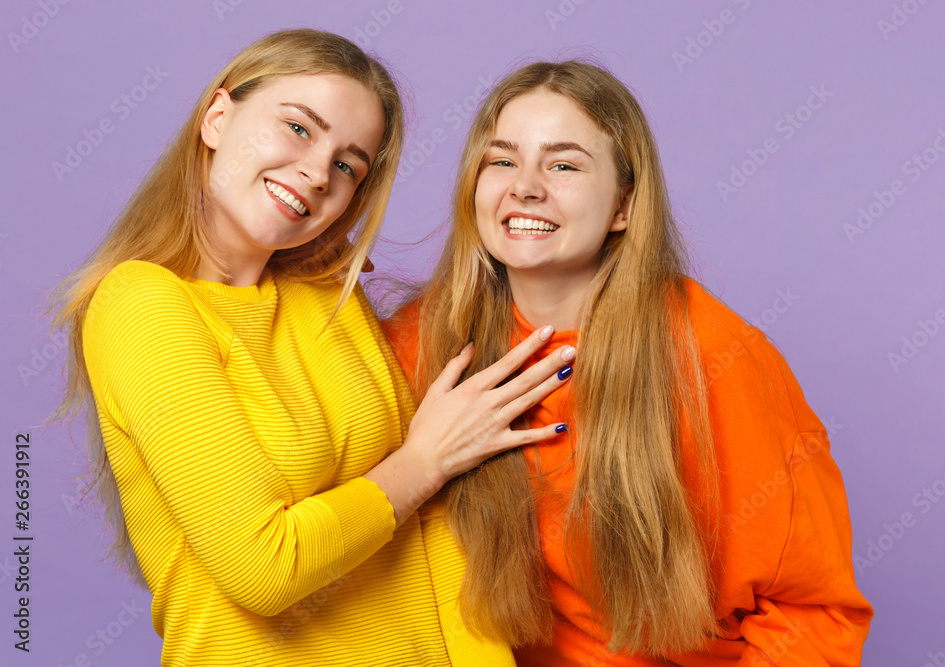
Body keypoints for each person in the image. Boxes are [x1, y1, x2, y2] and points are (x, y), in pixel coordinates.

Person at [49, 30, 576, 666]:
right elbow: (266, 568)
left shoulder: (325, 295)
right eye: (299, 128)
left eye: (348, 164)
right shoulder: (140, 304)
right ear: (217, 117)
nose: (317, 172)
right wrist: (426, 461)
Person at [383, 61, 874, 666]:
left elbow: (812, 614)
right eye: (502, 160)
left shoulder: (712, 355)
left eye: (563, 165)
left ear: (623, 205)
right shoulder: (421, 341)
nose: (525, 187)